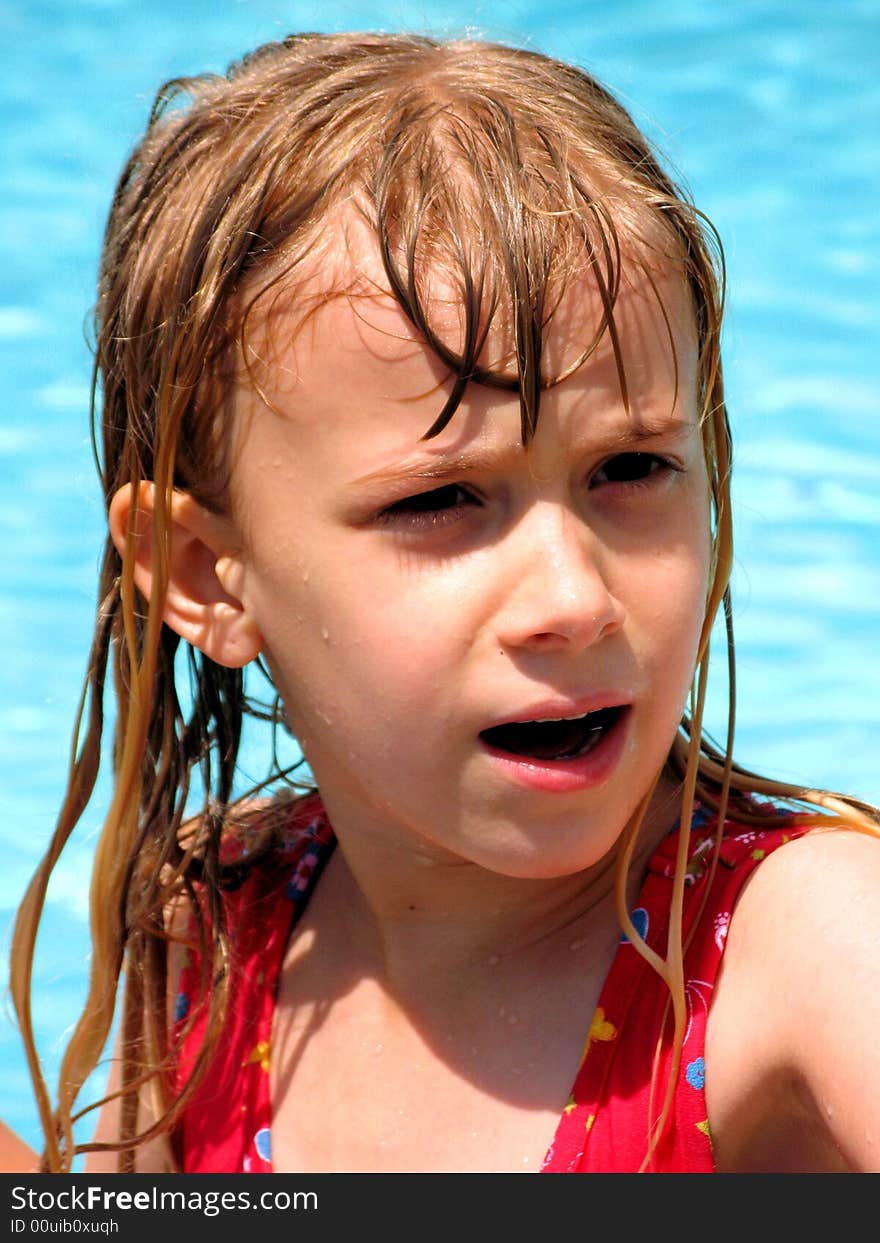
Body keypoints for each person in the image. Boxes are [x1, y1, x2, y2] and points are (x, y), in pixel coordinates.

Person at [7, 30, 880, 1176]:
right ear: (209, 575)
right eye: (445, 500)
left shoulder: (798, 950)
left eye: (630, 470)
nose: (574, 598)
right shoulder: (211, 928)